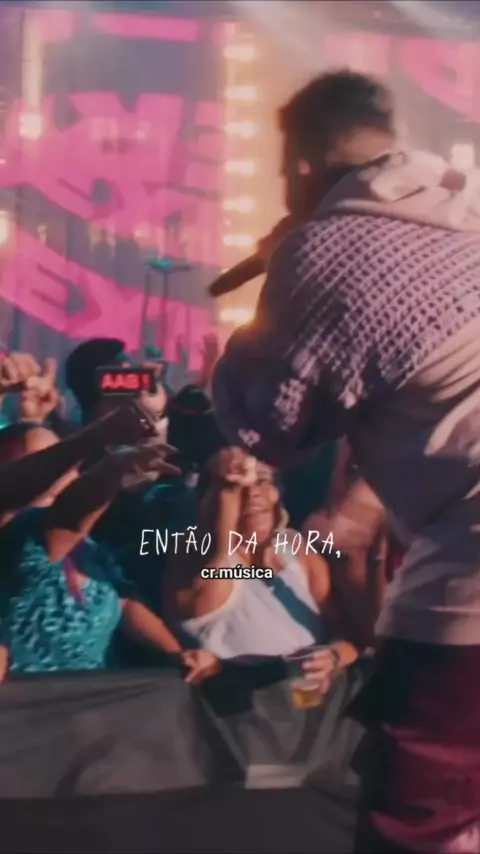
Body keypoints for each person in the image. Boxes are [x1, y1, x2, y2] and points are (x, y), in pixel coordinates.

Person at [212, 69, 480, 853]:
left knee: (422, 825)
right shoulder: (466, 204)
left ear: (299, 163)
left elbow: (271, 428)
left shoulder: (326, 249)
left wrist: (278, 279)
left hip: (469, 582)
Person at [0, 420, 219, 684]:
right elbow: (69, 517)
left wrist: (178, 654)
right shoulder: (15, 539)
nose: (60, 474)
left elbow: (122, 600)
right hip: (40, 705)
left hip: (102, 699)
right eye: (48, 464)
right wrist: (114, 469)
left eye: (68, 464)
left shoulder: (87, 546)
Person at [163, 446, 360, 685]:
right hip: (236, 705)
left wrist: (333, 657)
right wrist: (229, 486)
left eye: (263, 480)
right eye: (238, 485)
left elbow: (348, 635)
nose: (252, 492)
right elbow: (219, 553)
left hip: (310, 704)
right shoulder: (192, 550)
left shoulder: (297, 549)